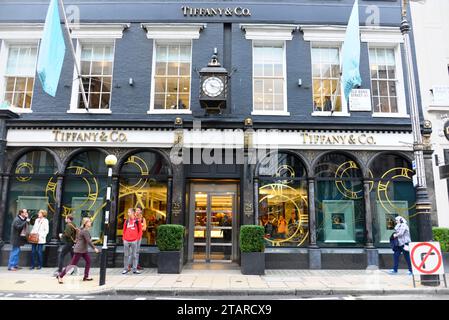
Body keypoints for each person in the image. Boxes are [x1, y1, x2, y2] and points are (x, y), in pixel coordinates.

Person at [57, 217, 99, 283]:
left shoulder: (82, 229)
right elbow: (88, 241)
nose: (91, 223)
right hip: (79, 250)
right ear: (86, 223)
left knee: (88, 261)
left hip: (83, 250)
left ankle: (86, 276)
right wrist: (94, 248)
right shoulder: (84, 231)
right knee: (72, 265)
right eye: (89, 222)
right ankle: (61, 276)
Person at [122, 208, 141, 275]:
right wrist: (124, 238)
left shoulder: (137, 221)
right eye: (128, 212)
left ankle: (134, 269)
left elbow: (140, 231)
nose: (128, 213)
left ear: (133, 213)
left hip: (134, 240)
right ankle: (125, 269)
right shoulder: (126, 221)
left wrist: (137, 238)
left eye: (129, 212)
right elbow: (124, 230)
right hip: (126, 240)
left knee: (134, 255)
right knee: (126, 255)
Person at [134, 206, 147, 271]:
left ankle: (136, 265)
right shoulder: (133, 218)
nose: (137, 211)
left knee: (137, 251)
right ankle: (129, 265)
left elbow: (144, 228)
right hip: (132, 237)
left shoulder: (143, 219)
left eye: (138, 210)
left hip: (139, 237)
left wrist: (138, 228)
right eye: (136, 210)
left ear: (141, 211)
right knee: (131, 252)